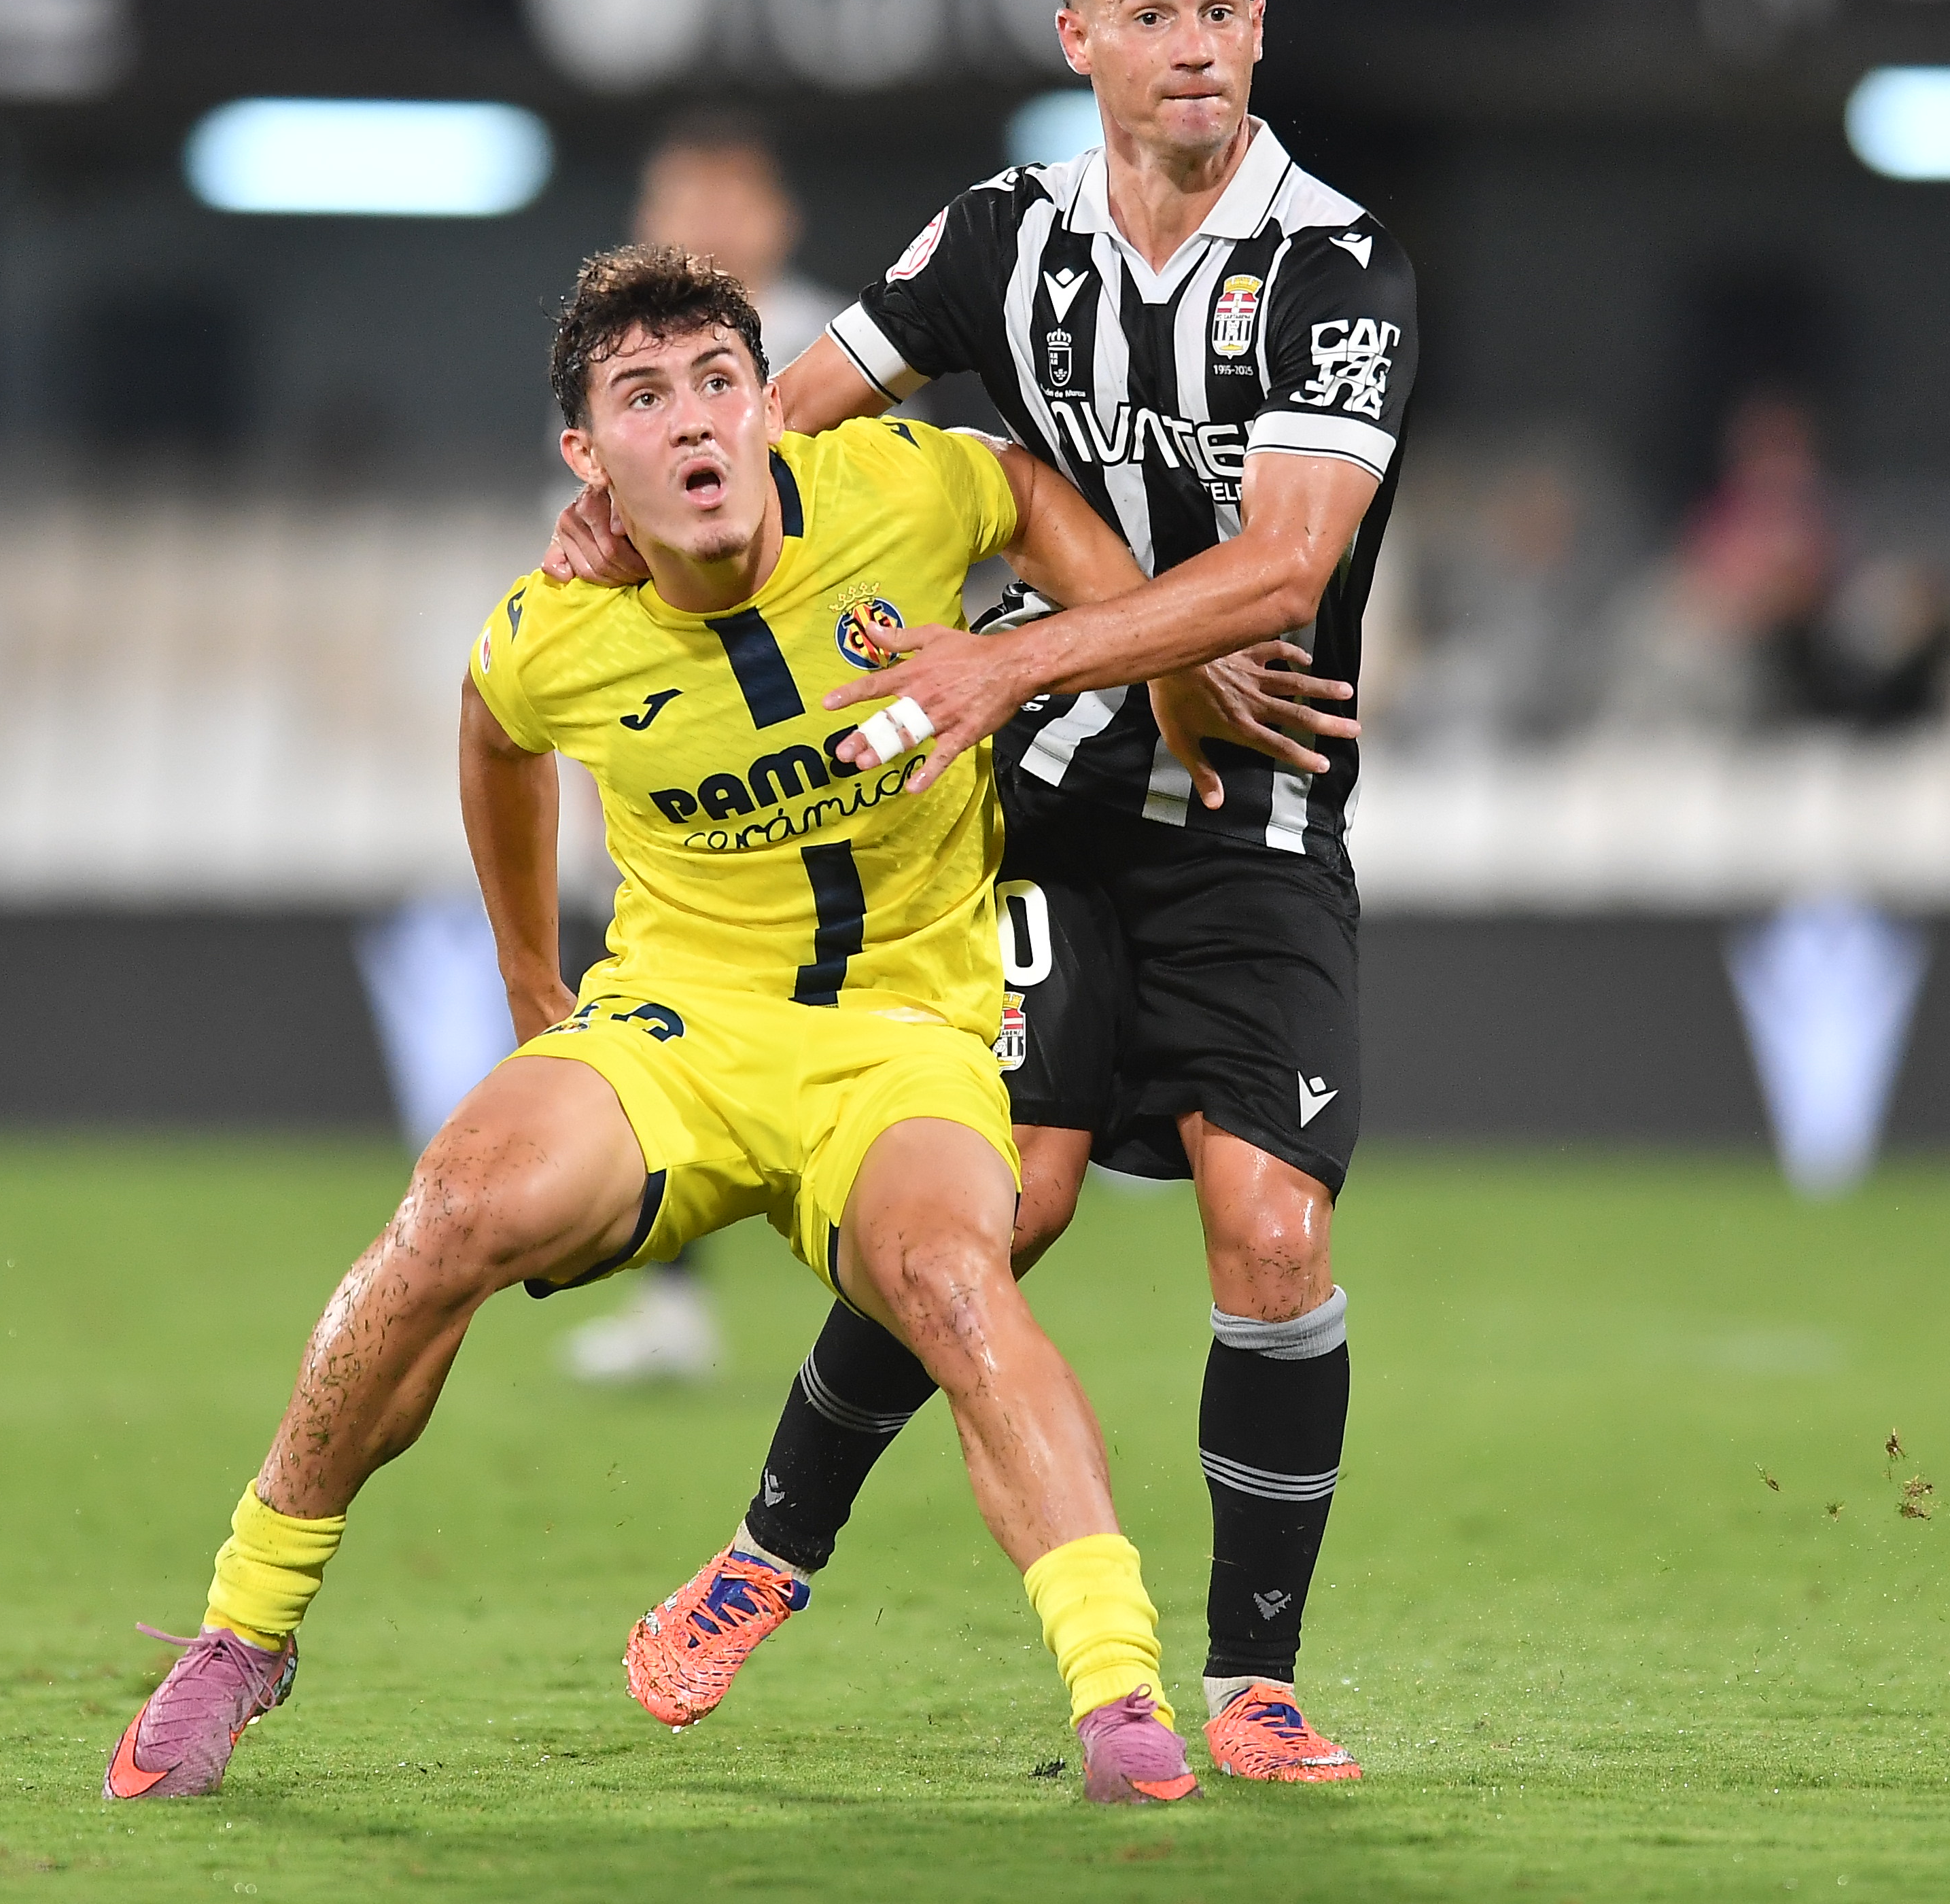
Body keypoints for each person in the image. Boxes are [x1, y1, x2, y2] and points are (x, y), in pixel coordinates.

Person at [107, 243, 1325, 1810]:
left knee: (960, 1276)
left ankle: (1120, 1696)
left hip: (899, 1033)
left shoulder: (895, 489)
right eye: (641, 396)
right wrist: (530, 972)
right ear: (588, 458)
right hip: (677, 1031)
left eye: (717, 383)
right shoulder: (561, 627)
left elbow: (1017, 488)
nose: (690, 422)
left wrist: (1145, 649)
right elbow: (493, 728)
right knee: (454, 1208)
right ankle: (240, 1629)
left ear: (765, 407)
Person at [546, 0, 1416, 1784]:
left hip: (1249, 816)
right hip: (1023, 819)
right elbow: (791, 409)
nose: (1192, 46)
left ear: (1258, 32)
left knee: (1270, 1238)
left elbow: (1283, 574)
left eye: (1222, 11)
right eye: (1151, 14)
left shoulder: (1339, 272)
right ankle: (769, 1551)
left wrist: (1015, 659)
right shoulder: (1002, 239)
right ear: (1081, 40)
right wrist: (652, 488)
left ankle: (1256, 1680)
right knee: (988, 1207)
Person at [559, 110, 851, 1383]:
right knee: (672, 1016)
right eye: (682, 204)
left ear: (774, 220)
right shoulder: (616, 367)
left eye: (728, 204)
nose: (710, 229)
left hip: (838, 734)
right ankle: (672, 1298)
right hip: (687, 739)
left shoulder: (839, 344)